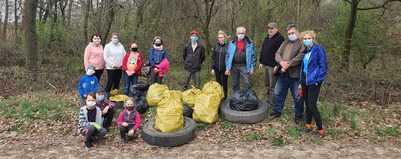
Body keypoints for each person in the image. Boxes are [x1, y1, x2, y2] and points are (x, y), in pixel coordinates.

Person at [268, 24, 304, 124]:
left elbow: (300, 56)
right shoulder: (285, 42)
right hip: (283, 74)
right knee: (278, 93)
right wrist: (281, 62)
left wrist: (288, 64)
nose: (291, 35)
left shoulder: (302, 43)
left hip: (295, 75)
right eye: (289, 33)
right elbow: (277, 54)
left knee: (298, 97)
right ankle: (277, 111)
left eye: (292, 33)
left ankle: (298, 116)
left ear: (297, 32)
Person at [298, 30, 328, 140]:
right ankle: (308, 126)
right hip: (305, 81)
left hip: (313, 81)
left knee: (312, 105)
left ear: (313, 38)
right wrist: (300, 83)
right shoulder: (306, 51)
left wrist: (318, 80)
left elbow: (323, 66)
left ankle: (321, 131)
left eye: (308, 38)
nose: (306, 40)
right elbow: (303, 69)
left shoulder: (318, 49)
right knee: (307, 103)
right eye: (304, 39)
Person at [258, 22, 285, 105]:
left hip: (273, 66)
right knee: (267, 84)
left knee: (273, 85)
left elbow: (281, 54)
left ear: (276, 29)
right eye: (269, 28)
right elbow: (263, 50)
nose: (270, 30)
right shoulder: (267, 38)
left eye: (272, 28)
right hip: (266, 65)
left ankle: (273, 103)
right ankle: (268, 100)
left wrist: (277, 65)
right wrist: (261, 62)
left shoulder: (280, 39)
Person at [225, 27, 257, 92]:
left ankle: (248, 96)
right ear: (236, 33)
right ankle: (236, 97)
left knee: (247, 82)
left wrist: (252, 68)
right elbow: (228, 56)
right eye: (239, 33)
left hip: (244, 66)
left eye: (242, 33)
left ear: (245, 34)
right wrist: (227, 68)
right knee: (235, 83)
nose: (240, 35)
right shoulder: (232, 43)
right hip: (234, 66)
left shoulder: (250, 43)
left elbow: (253, 56)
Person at [211, 30, 229, 99]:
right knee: (218, 83)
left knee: (224, 83)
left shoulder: (228, 47)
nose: (220, 39)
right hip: (217, 68)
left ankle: (225, 97)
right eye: (219, 37)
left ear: (224, 38)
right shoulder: (216, 46)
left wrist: (228, 68)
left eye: (222, 37)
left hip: (225, 68)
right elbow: (213, 58)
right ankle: (219, 96)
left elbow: (229, 58)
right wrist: (212, 68)